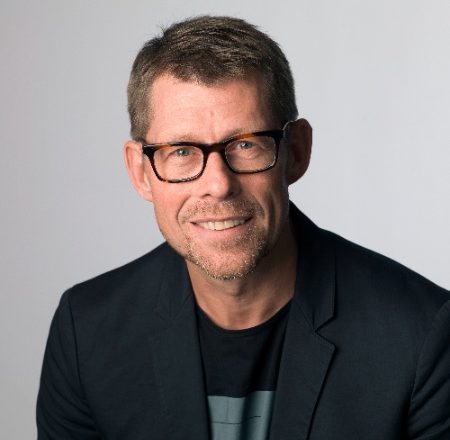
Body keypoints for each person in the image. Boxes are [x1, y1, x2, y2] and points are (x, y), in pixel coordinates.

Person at [37, 15, 450, 440]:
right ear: (140, 172)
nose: (218, 185)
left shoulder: (421, 334)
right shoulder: (86, 332)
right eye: (181, 151)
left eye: (245, 144)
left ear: (297, 151)